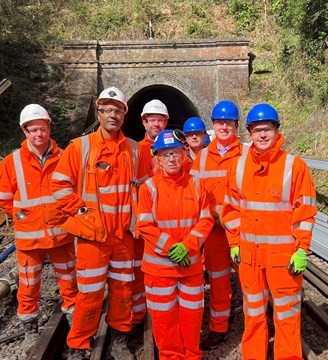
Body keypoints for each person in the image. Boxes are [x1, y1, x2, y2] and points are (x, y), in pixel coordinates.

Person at [51, 87, 146, 360]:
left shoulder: (135, 150)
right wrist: (82, 210)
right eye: (107, 109)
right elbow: (58, 186)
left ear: (124, 115)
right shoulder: (80, 148)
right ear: (99, 113)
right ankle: (79, 343)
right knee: (90, 294)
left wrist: (138, 219)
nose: (113, 114)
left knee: (123, 291)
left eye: (118, 110)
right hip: (94, 236)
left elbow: (146, 187)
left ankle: (118, 339)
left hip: (123, 236)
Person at [222, 103, 317, 360]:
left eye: (267, 129)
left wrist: (301, 249)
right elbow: (230, 210)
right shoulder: (238, 167)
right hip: (250, 258)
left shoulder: (294, 167)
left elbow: (305, 213)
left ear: (277, 131)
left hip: (282, 258)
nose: (262, 135)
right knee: (253, 315)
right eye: (257, 130)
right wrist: (234, 242)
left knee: (286, 316)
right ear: (249, 133)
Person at [0, 104, 78, 352]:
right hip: (29, 241)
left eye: (42, 129)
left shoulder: (64, 158)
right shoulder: (12, 163)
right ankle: (30, 331)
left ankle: (76, 326)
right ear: (25, 131)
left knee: (70, 284)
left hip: (61, 236)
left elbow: (74, 191)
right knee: (28, 288)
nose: (38, 135)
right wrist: (21, 216)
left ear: (49, 128)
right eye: (32, 130)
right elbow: (2, 197)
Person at [136, 130, 214, 359]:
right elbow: (145, 226)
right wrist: (171, 247)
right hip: (159, 271)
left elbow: (206, 219)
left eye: (176, 153)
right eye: (166, 154)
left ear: (184, 156)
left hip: (189, 267)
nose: (171, 159)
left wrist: (188, 246)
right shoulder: (148, 188)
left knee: (192, 319)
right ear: (157, 158)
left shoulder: (197, 185)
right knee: (164, 321)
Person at [189, 100, 246, 349]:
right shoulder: (201, 158)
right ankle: (219, 327)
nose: (224, 126)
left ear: (236, 126)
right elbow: (192, 195)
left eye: (229, 123)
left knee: (250, 279)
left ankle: (255, 326)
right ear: (213, 124)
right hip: (213, 232)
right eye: (220, 122)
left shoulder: (247, 154)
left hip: (242, 230)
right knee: (219, 279)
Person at [132, 98, 169, 327]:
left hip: (169, 222)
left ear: (166, 122)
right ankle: (137, 317)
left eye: (160, 119)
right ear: (144, 121)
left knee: (164, 270)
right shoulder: (135, 150)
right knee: (138, 271)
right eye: (151, 119)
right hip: (144, 221)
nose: (156, 123)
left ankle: (162, 314)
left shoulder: (176, 150)